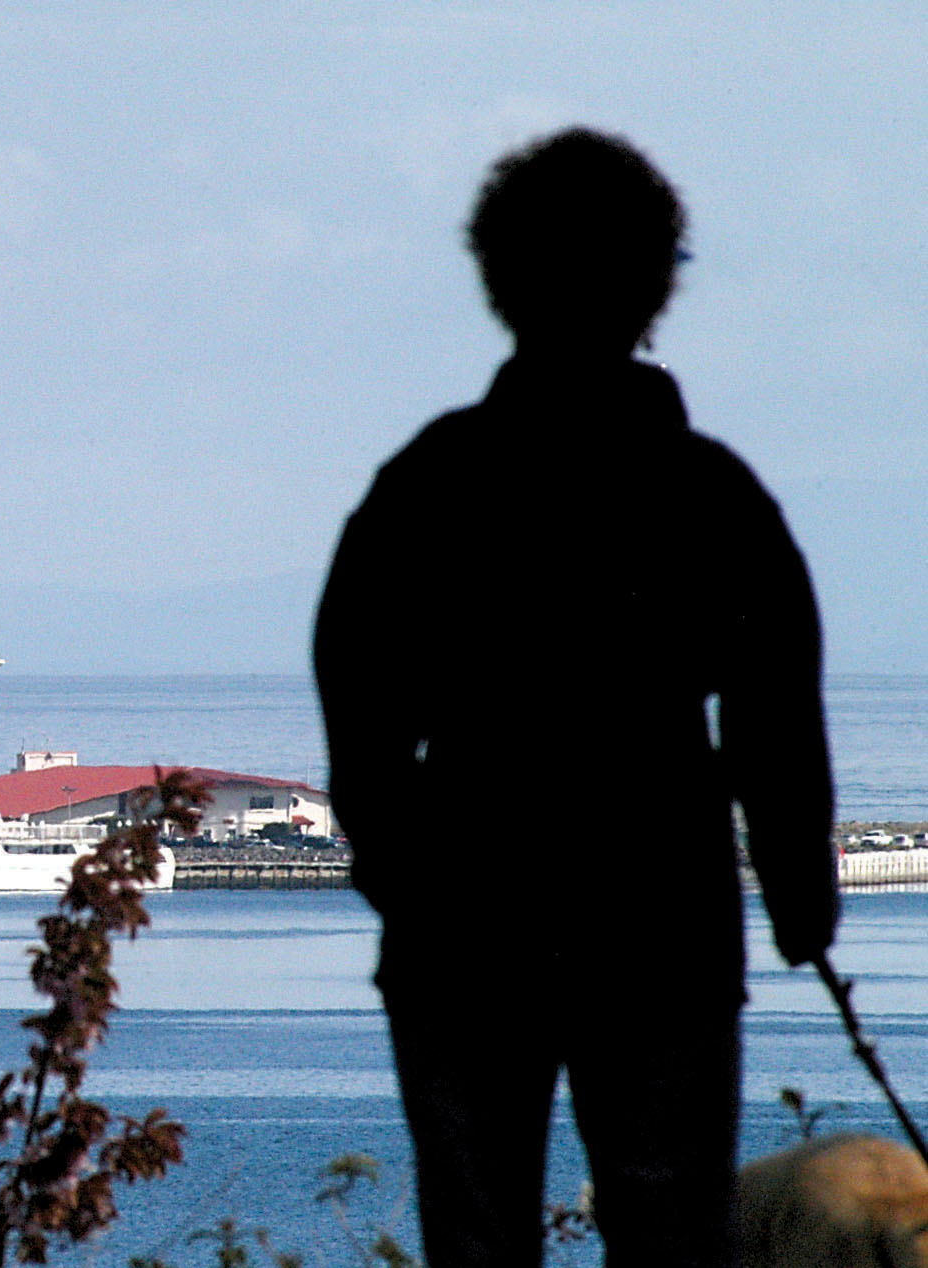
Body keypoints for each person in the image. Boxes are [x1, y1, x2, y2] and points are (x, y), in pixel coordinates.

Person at [312, 127, 839, 1267]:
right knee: (668, 1230)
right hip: (660, 915)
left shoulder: (426, 484)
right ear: (658, 283)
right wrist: (803, 901)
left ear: (496, 278)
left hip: (461, 916)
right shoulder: (709, 494)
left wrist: (401, 875)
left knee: (476, 1231)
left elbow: (358, 713)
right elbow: (775, 723)